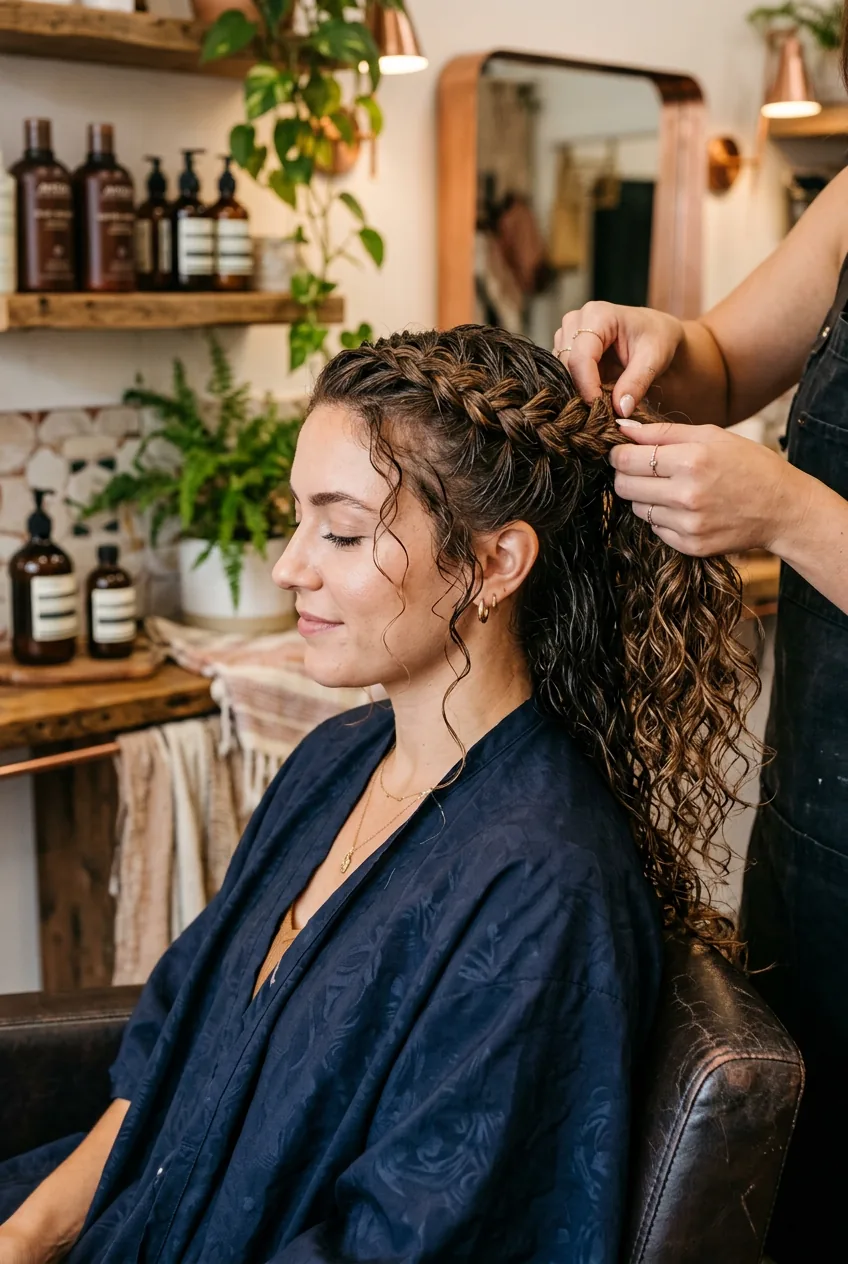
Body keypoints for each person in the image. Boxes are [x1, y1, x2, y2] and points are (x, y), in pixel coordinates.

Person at [0, 326, 756, 1264]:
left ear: (494, 563)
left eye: (344, 531)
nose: (289, 566)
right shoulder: (335, 758)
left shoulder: (541, 890)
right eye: (297, 519)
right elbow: (167, 1061)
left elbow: (411, 1237)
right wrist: (26, 1236)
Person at [555, 68, 848, 1254]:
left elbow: (785, 505)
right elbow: (725, 361)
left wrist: (785, 514)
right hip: (816, 841)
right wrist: (664, 341)